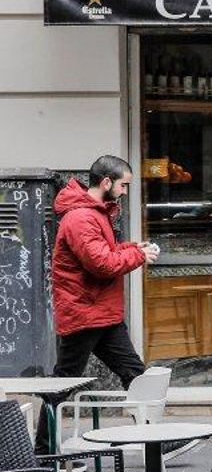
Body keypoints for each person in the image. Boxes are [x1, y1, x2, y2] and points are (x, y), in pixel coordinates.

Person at [52, 155, 158, 388]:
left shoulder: (94, 213)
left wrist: (131, 248)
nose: (125, 192)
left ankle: (146, 424)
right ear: (107, 182)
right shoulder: (81, 217)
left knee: (137, 375)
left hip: (101, 313)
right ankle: (44, 425)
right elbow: (102, 264)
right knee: (62, 384)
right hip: (85, 314)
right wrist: (139, 256)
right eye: (124, 185)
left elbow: (102, 252)